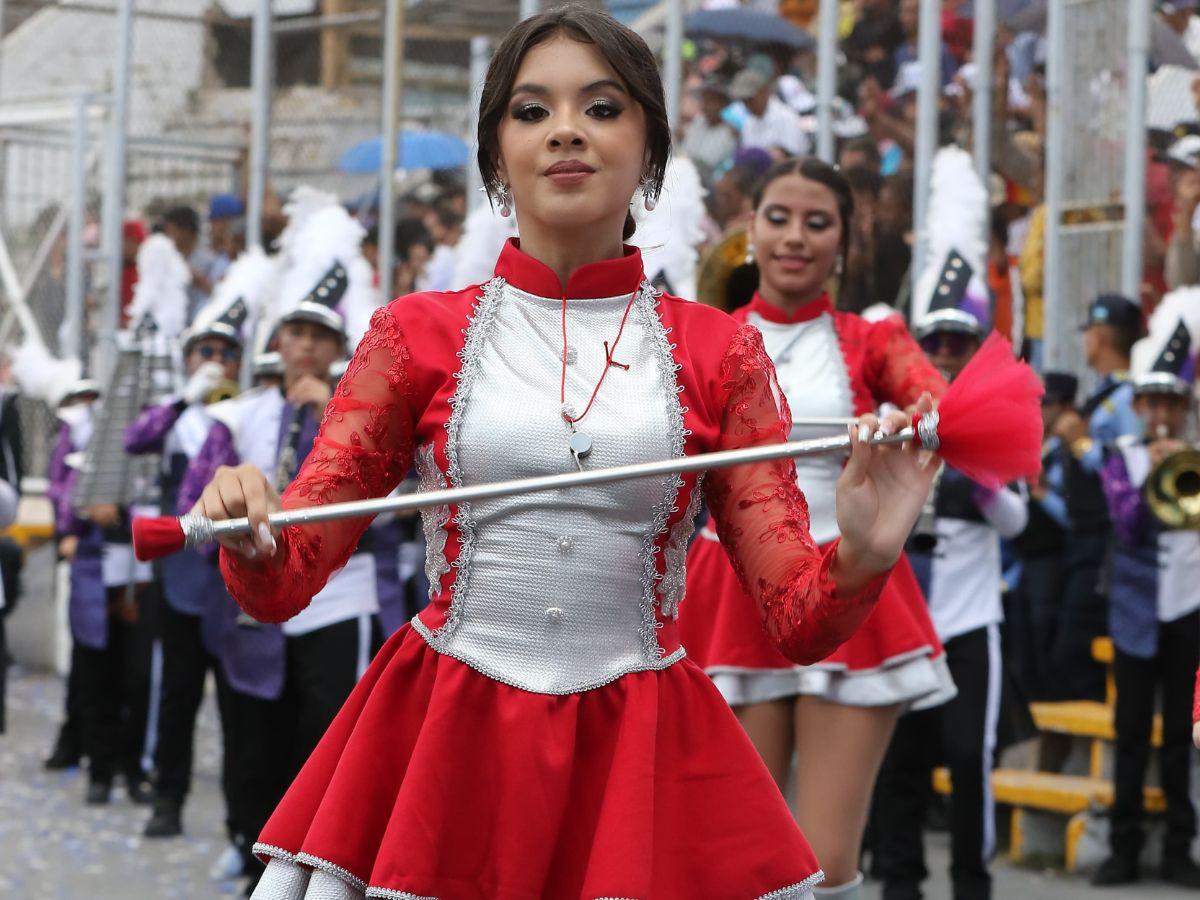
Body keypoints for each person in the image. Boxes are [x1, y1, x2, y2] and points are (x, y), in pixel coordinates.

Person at [190, 9, 942, 899]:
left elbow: (796, 618)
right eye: (531, 110)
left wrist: (864, 550)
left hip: (638, 752)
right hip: (448, 741)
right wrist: (249, 525)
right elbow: (287, 580)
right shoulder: (413, 335)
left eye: (602, 106)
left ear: (649, 148)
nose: (567, 131)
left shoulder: (719, 353)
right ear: (497, 153)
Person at [680, 156, 952, 900]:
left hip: (850, 585)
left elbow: (943, 411)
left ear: (843, 243)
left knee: (825, 862)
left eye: (817, 222)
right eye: (778, 218)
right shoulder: (704, 337)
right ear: (750, 230)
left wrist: (914, 423)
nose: (795, 237)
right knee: (742, 857)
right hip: (730, 593)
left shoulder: (874, 339)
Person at [179, 202, 383, 893]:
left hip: (339, 598)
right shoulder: (239, 414)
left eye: (319, 335)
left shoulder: (361, 410)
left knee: (325, 740)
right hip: (256, 601)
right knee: (252, 735)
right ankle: (248, 843)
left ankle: (322, 864)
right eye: (294, 331)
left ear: (336, 348)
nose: (303, 345)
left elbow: (392, 499)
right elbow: (195, 488)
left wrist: (330, 406)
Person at [871, 302, 1029, 900]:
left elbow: (1018, 523)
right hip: (906, 616)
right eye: (932, 340)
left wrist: (981, 477)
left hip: (969, 621)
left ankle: (972, 884)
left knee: (969, 756)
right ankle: (900, 882)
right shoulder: (894, 416)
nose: (941, 352)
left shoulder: (993, 418)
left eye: (955, 343)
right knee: (900, 759)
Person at [123, 273, 253, 838]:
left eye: (227, 352)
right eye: (207, 350)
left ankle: (240, 822)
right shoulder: (174, 414)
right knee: (177, 691)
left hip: (230, 576)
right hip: (180, 575)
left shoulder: (249, 410)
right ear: (187, 356)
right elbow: (135, 438)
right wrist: (186, 397)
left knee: (236, 701)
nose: (217, 359)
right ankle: (168, 799)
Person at [1094, 289, 1200, 887]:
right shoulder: (1121, 457)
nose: (1162, 412)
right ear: (1137, 405)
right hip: (1135, 610)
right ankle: (1124, 848)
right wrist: (1157, 469)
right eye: (1153, 400)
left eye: (1172, 401)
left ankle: (1181, 850)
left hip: (1189, 606)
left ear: (1184, 407)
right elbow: (1128, 524)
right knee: (1131, 733)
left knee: (1182, 737)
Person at [1051, 294, 1143, 700]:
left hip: (1104, 541)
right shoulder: (1105, 394)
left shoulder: (1125, 401)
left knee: (1075, 645)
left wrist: (1081, 443)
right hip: (1083, 538)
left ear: (1101, 336)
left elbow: (1129, 473)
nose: (1085, 339)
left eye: (1089, 331)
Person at [1010, 371, 1076, 702]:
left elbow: (1074, 517)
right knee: (1023, 635)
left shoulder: (1067, 451)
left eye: (1045, 404)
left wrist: (1041, 493)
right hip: (1027, 557)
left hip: (1053, 558)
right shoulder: (1035, 446)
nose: (1038, 410)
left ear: (1065, 407)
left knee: (1043, 628)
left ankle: (1050, 701)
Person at [729, 66, 808, 157]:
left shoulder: (786, 116)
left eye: (750, 99)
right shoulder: (749, 122)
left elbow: (795, 156)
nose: (748, 104)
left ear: (764, 92)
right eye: (744, 100)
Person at [681, 76, 738, 178]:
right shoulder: (697, 123)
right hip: (687, 174)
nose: (707, 105)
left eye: (712, 101)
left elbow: (712, 163)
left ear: (722, 104)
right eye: (705, 100)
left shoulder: (729, 132)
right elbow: (687, 151)